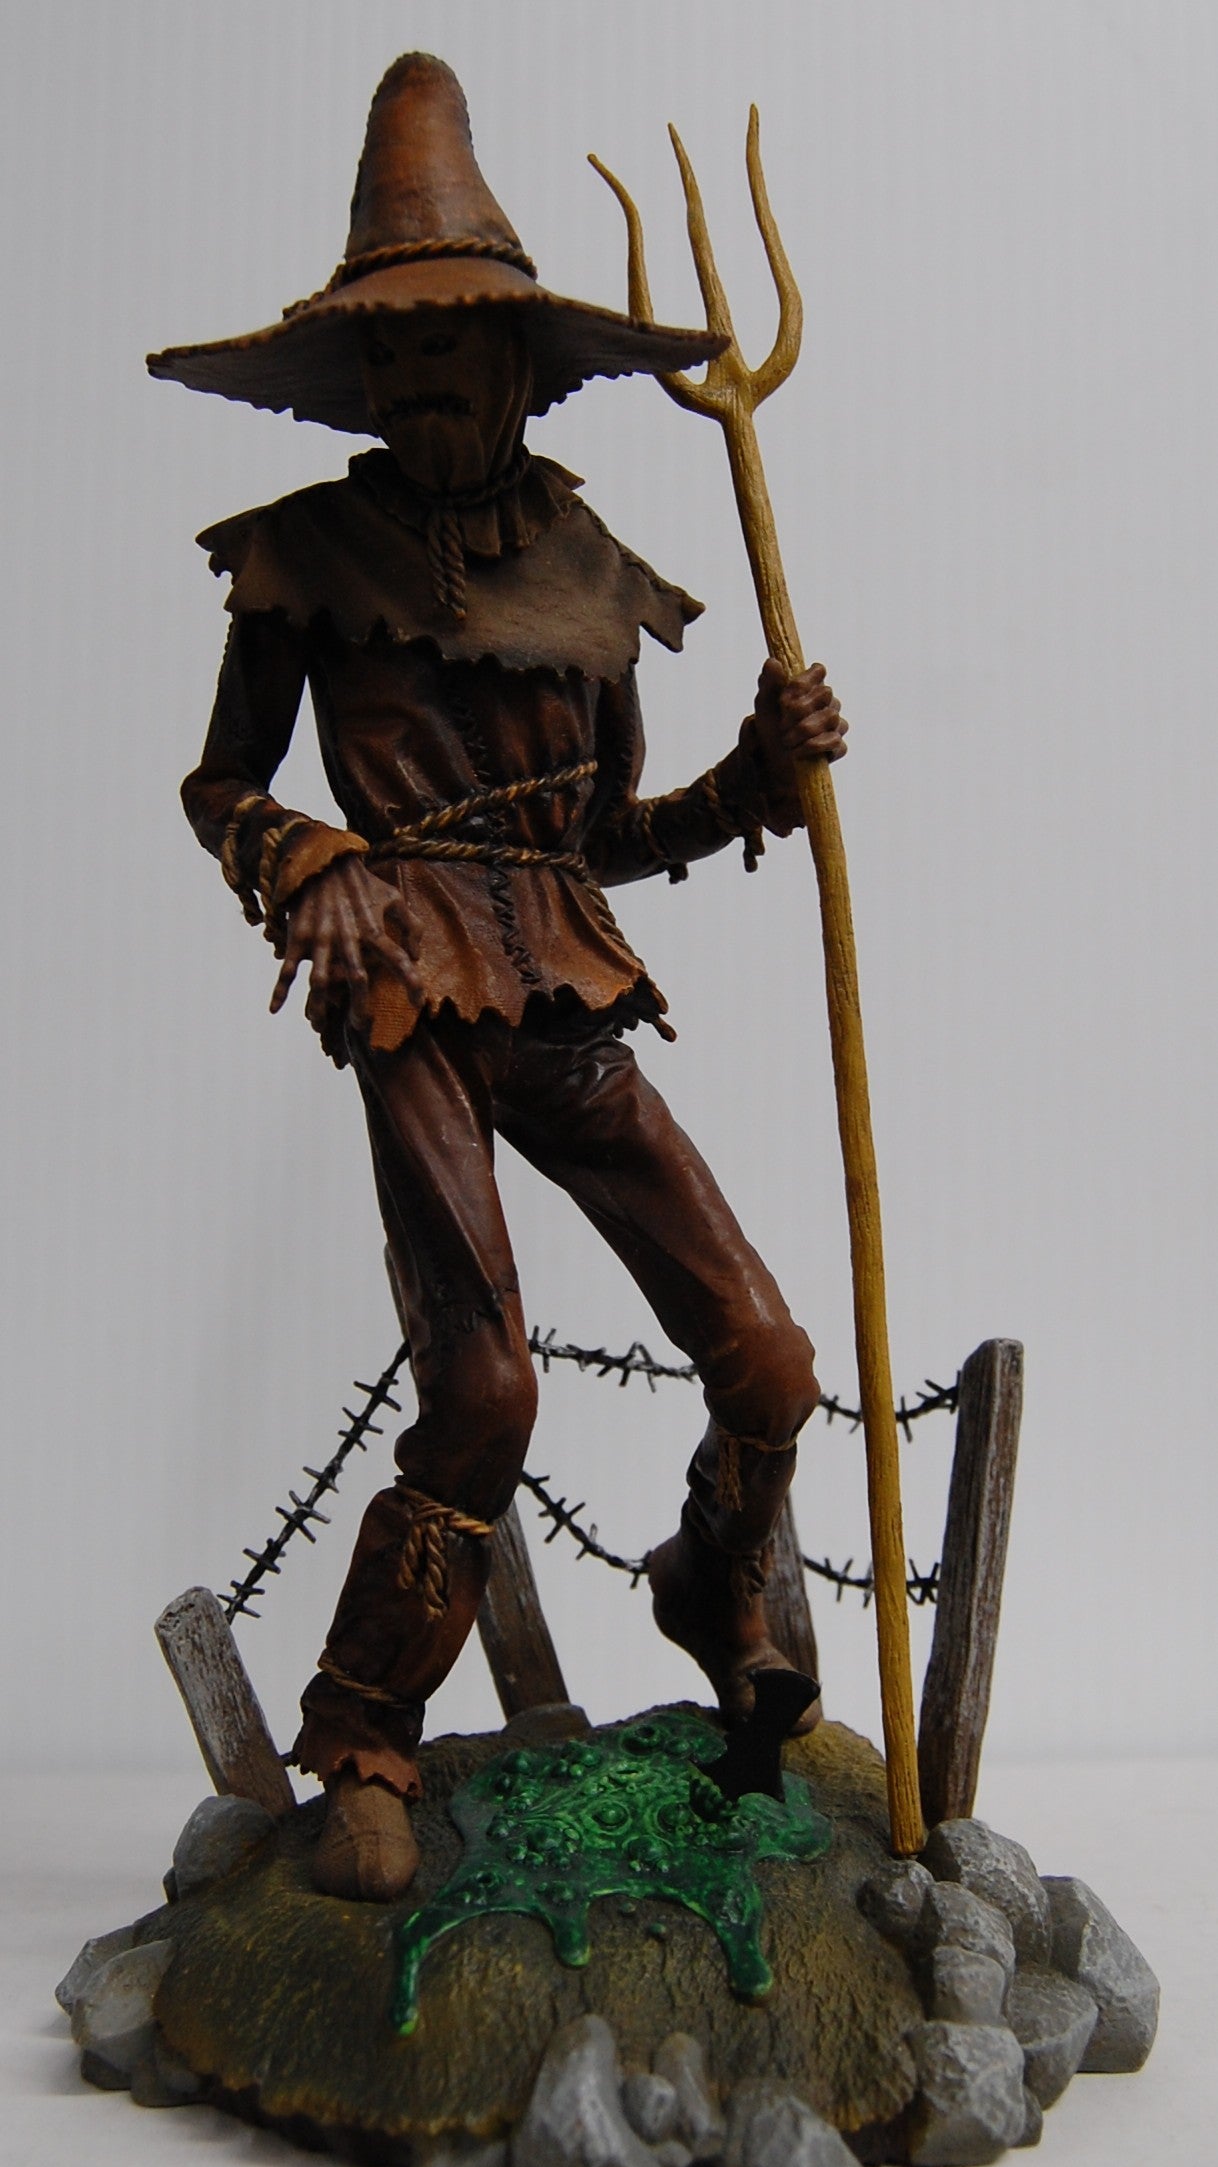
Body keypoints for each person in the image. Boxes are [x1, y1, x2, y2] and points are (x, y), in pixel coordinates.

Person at [151, 53, 847, 1899]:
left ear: (520, 365)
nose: (417, 391)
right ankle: (366, 1732)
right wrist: (311, 860)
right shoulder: (302, 559)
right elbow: (221, 786)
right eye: (390, 363)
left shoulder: (590, 570)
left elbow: (602, 836)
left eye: (448, 357)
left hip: (563, 986)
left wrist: (754, 782)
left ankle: (709, 1572)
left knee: (768, 1352)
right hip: (402, 987)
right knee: (486, 1388)